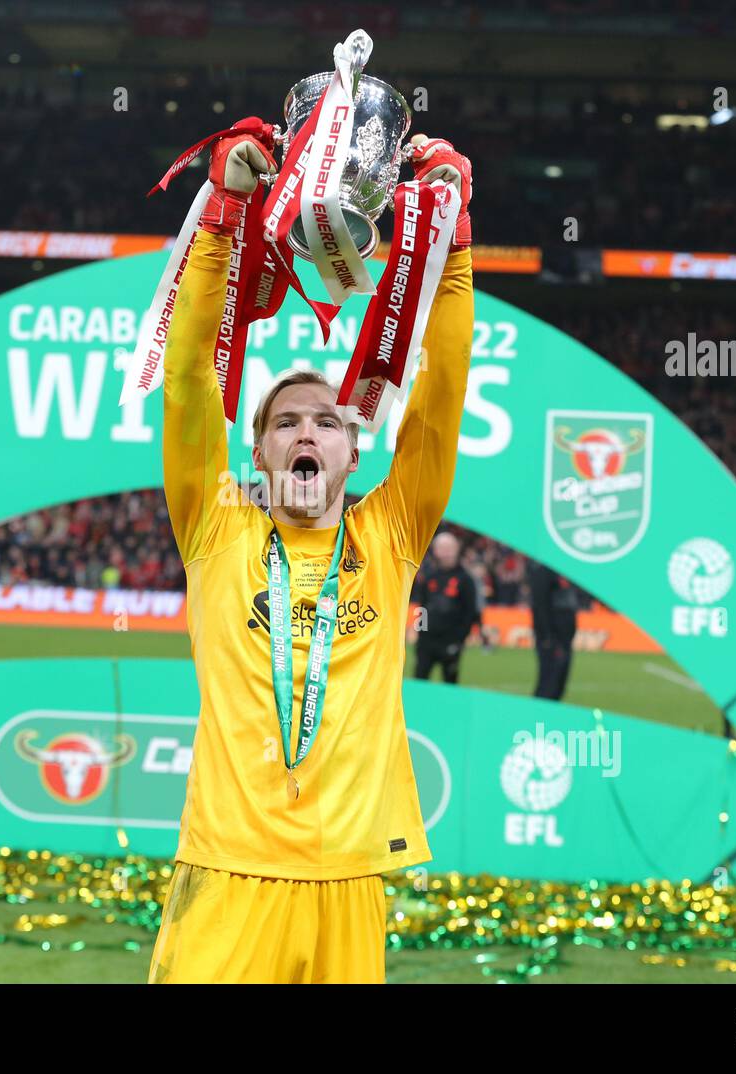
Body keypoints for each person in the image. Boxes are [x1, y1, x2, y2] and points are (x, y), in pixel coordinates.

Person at [148, 123, 474, 984]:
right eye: (284, 421)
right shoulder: (216, 526)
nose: (305, 431)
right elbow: (188, 382)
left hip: (349, 882)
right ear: (255, 455)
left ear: (353, 453)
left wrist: (452, 245)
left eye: (326, 421)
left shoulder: (389, 533)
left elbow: (439, 401)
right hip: (225, 872)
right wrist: (222, 218)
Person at [411, 530, 481, 683]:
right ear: (435, 550)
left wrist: (460, 640)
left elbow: (470, 612)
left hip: (451, 642)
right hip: (427, 642)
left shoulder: (465, 579)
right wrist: (420, 637)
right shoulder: (429, 578)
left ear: (456, 549)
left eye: (449, 548)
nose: (446, 552)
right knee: (419, 682)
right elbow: (421, 608)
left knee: (450, 684)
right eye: (442, 548)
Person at [527, 558, 579, 701]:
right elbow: (540, 604)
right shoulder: (542, 568)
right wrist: (547, 637)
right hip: (553, 638)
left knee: (558, 686)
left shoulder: (563, 567)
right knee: (548, 686)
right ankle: (537, 722)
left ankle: (547, 721)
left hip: (564, 637)